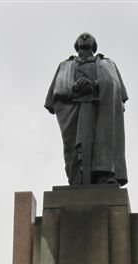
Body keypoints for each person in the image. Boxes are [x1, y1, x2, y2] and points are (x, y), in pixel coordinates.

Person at [45, 33, 128, 186]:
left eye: (88, 36)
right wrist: (74, 87)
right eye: (81, 36)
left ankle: (103, 175)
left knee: (101, 140)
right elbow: (57, 90)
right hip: (74, 108)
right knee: (74, 150)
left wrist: (96, 85)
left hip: (101, 108)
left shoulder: (107, 63)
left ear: (94, 44)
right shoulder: (65, 65)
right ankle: (78, 179)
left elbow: (115, 87)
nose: (84, 36)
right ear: (76, 44)